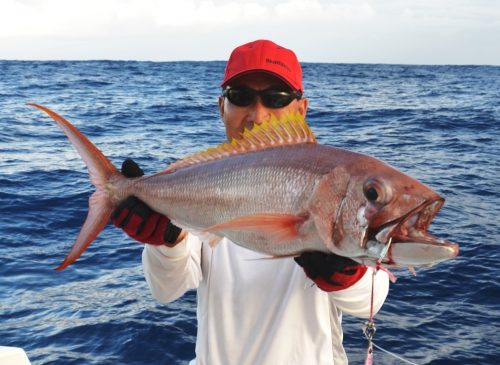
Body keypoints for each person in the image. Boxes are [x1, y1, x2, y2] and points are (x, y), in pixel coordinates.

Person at [112, 39, 390, 365]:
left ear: (301, 109)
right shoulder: (195, 184)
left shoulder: (338, 183)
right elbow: (167, 289)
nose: (257, 116)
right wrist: (167, 242)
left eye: (276, 98)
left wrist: (348, 274)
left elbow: (368, 301)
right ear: (221, 108)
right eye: (241, 97)